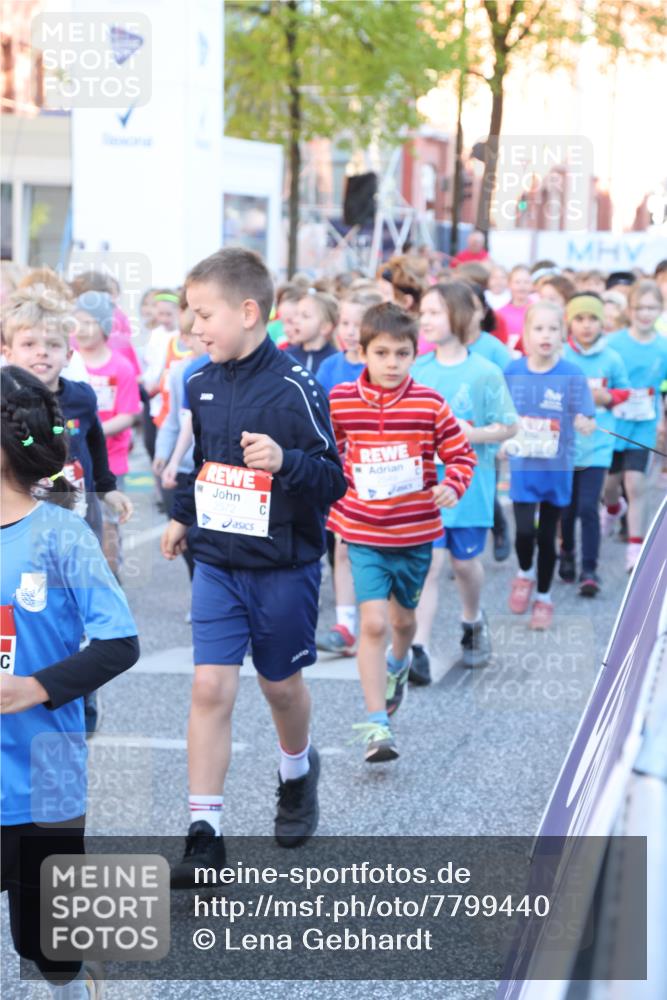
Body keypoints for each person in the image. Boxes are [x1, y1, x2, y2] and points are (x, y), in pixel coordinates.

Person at [161, 247, 346, 886]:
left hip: (283, 567)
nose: (193, 327)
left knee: (279, 688)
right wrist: (184, 514)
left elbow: (333, 482)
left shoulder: (299, 389)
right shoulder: (198, 381)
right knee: (209, 686)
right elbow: (202, 462)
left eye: (202, 313)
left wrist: (285, 462)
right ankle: (204, 833)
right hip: (216, 560)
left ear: (247, 312)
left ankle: (296, 772)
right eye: (189, 314)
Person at [1, 365, 139, 1000]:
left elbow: (119, 642)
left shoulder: (59, 535)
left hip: (42, 779)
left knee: (49, 949)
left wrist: (35, 688)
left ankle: (74, 985)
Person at [328, 302, 477, 761]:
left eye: (402, 354)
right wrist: (333, 490)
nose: (392, 364)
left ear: (416, 354)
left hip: (415, 534)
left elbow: (461, 456)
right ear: (363, 352)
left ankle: (399, 663)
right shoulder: (341, 401)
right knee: (372, 623)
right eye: (382, 353)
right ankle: (377, 725)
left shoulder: (428, 404)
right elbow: (326, 454)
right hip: (363, 531)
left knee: (402, 623)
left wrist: (452, 486)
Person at [411, 283, 517, 677]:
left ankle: (472, 620)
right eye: (424, 313)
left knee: (465, 563)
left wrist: (468, 434)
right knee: (430, 564)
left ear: (457, 315)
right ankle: (417, 647)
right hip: (427, 486)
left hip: (471, 486)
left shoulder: (486, 371)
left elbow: (509, 426)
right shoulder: (418, 369)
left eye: (435, 312)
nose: (426, 320)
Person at [504, 301, 595, 630]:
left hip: (557, 469)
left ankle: (544, 596)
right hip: (524, 467)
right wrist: (500, 438)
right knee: (525, 533)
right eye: (538, 328)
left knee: (547, 537)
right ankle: (524, 572)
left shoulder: (572, 373)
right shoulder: (513, 372)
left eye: (553, 329)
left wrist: (584, 421)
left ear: (563, 335)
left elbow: (584, 411)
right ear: (526, 334)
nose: (545, 335)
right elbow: (500, 413)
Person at [315, 288, 383, 657]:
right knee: (342, 548)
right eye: (346, 323)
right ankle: (345, 625)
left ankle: (381, 619)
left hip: (383, 473)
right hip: (345, 473)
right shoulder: (330, 367)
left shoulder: (383, 365)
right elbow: (321, 417)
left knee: (379, 552)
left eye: (360, 323)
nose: (352, 331)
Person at [561, 293, 630, 595]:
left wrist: (608, 397)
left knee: (588, 507)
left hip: (598, 445)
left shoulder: (611, 357)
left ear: (603, 322)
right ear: (569, 323)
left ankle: (590, 569)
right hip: (563, 447)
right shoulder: (562, 355)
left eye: (593, 319)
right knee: (566, 507)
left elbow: (625, 391)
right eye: (580, 319)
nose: (587, 326)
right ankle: (567, 554)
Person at [73, 291, 141, 578]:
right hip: (72, 460)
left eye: (89, 322)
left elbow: (128, 414)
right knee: (76, 521)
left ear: (104, 326)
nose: (82, 329)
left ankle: (111, 578)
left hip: (110, 460)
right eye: (76, 322)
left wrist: (92, 431)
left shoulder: (120, 367)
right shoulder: (68, 362)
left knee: (109, 524)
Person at [601, 279, 667, 571]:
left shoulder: (663, 347)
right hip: (614, 421)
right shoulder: (613, 343)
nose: (645, 313)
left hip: (644, 423)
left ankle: (635, 549)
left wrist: (663, 419)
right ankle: (614, 508)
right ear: (629, 309)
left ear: (661, 310)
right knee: (610, 484)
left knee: (636, 482)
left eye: (652, 308)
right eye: (640, 307)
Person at [288, 290, 339, 373]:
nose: (295, 320)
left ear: (325, 327)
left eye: (305, 316)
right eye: (296, 314)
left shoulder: (336, 361)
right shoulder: (287, 356)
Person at [498, 265, 533, 353]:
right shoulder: (500, 313)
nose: (522, 286)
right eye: (517, 282)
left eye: (526, 282)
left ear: (532, 285)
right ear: (509, 285)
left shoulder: (539, 311)